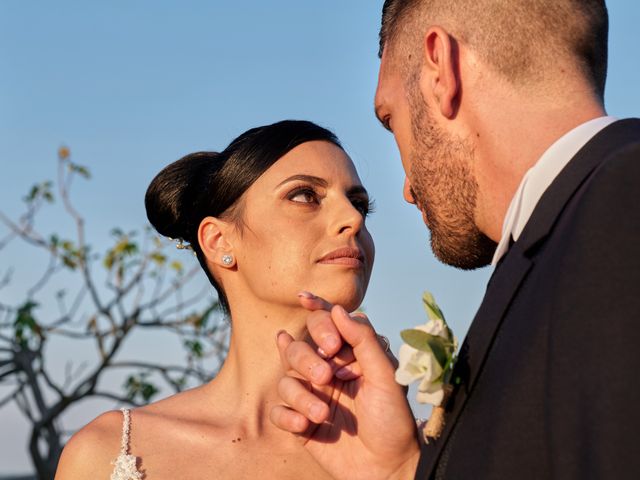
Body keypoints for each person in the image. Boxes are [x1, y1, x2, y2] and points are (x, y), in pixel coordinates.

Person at [272, 1, 640, 478]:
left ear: (440, 69)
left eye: (390, 118)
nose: (406, 189)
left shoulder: (621, 209)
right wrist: (405, 469)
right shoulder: (564, 247)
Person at [54, 120, 389, 479]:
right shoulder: (109, 452)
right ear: (218, 241)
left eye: (358, 203)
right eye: (305, 195)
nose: (352, 218)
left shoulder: (400, 447)